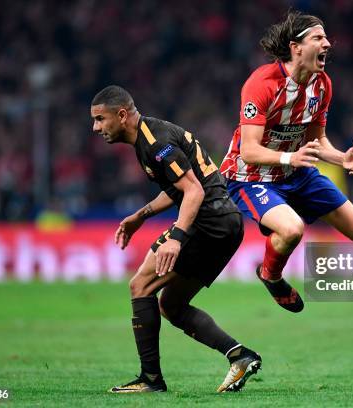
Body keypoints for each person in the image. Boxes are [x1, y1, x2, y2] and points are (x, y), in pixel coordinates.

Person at [90, 85, 261, 393]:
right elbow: (177, 188)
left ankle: (151, 380)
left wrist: (176, 237)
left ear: (122, 114)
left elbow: (193, 190)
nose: (96, 128)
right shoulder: (149, 138)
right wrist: (141, 216)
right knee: (172, 304)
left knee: (140, 286)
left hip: (208, 222)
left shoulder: (156, 143)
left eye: (101, 119)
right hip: (226, 223)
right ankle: (240, 356)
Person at [220, 11, 353, 313]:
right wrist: (291, 156)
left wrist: (341, 157)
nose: (327, 44)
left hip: (296, 172)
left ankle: (304, 204)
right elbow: (249, 151)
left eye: (327, 37)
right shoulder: (261, 83)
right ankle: (270, 275)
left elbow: (316, 141)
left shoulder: (322, 85)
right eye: (318, 38)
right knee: (291, 230)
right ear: (296, 47)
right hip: (252, 177)